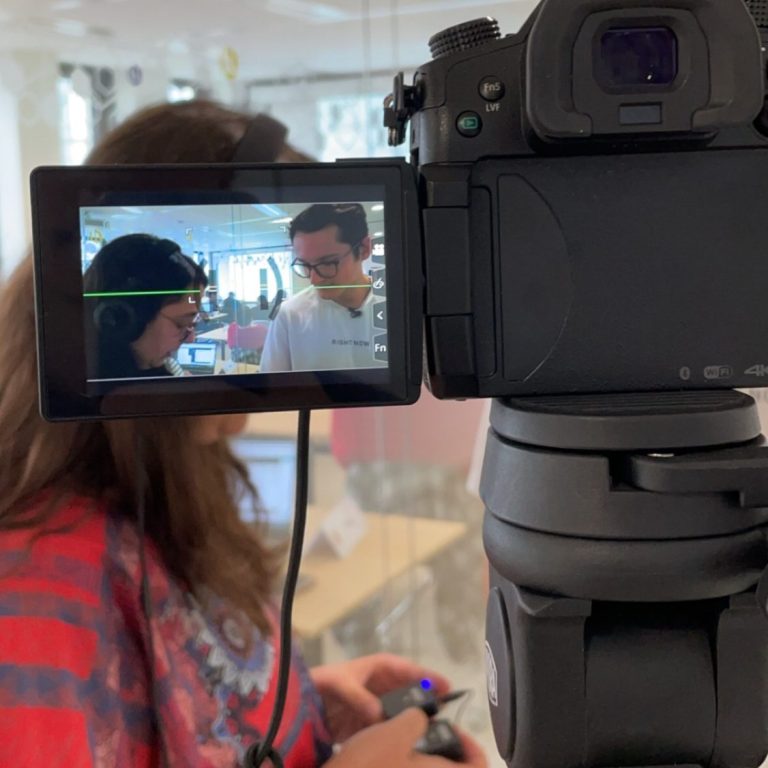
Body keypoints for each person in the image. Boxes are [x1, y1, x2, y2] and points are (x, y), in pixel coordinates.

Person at [0, 99, 488, 768]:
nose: (198, 348)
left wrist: (300, 710)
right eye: (182, 326)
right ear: (115, 326)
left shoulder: (177, 479)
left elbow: (186, 718)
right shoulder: (39, 590)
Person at [259, 203, 387, 373]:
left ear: (364, 249)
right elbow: (271, 385)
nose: (314, 279)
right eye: (305, 265)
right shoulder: (289, 315)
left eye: (327, 263)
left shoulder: (401, 306)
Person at [84, 233, 206, 379]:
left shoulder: (168, 367)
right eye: (180, 324)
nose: (190, 339)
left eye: (192, 324)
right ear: (125, 316)